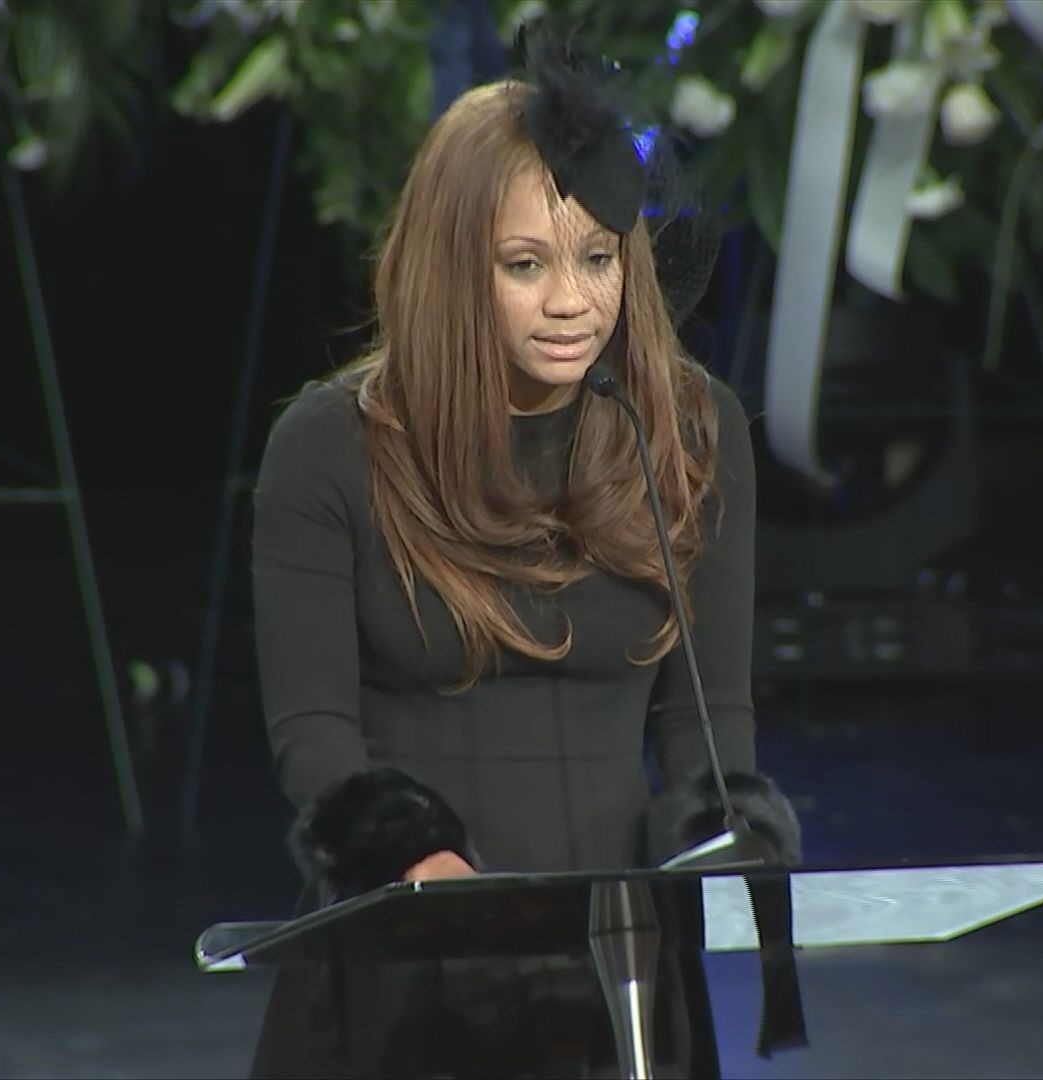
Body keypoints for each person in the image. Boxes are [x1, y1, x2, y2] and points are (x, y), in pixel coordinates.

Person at [245, 34, 800, 1080]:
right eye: (525, 265)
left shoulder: (690, 429)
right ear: (455, 266)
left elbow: (702, 715)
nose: (571, 303)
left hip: (622, 960)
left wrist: (729, 832)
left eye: (597, 259)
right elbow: (313, 731)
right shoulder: (330, 445)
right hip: (409, 949)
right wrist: (419, 866)